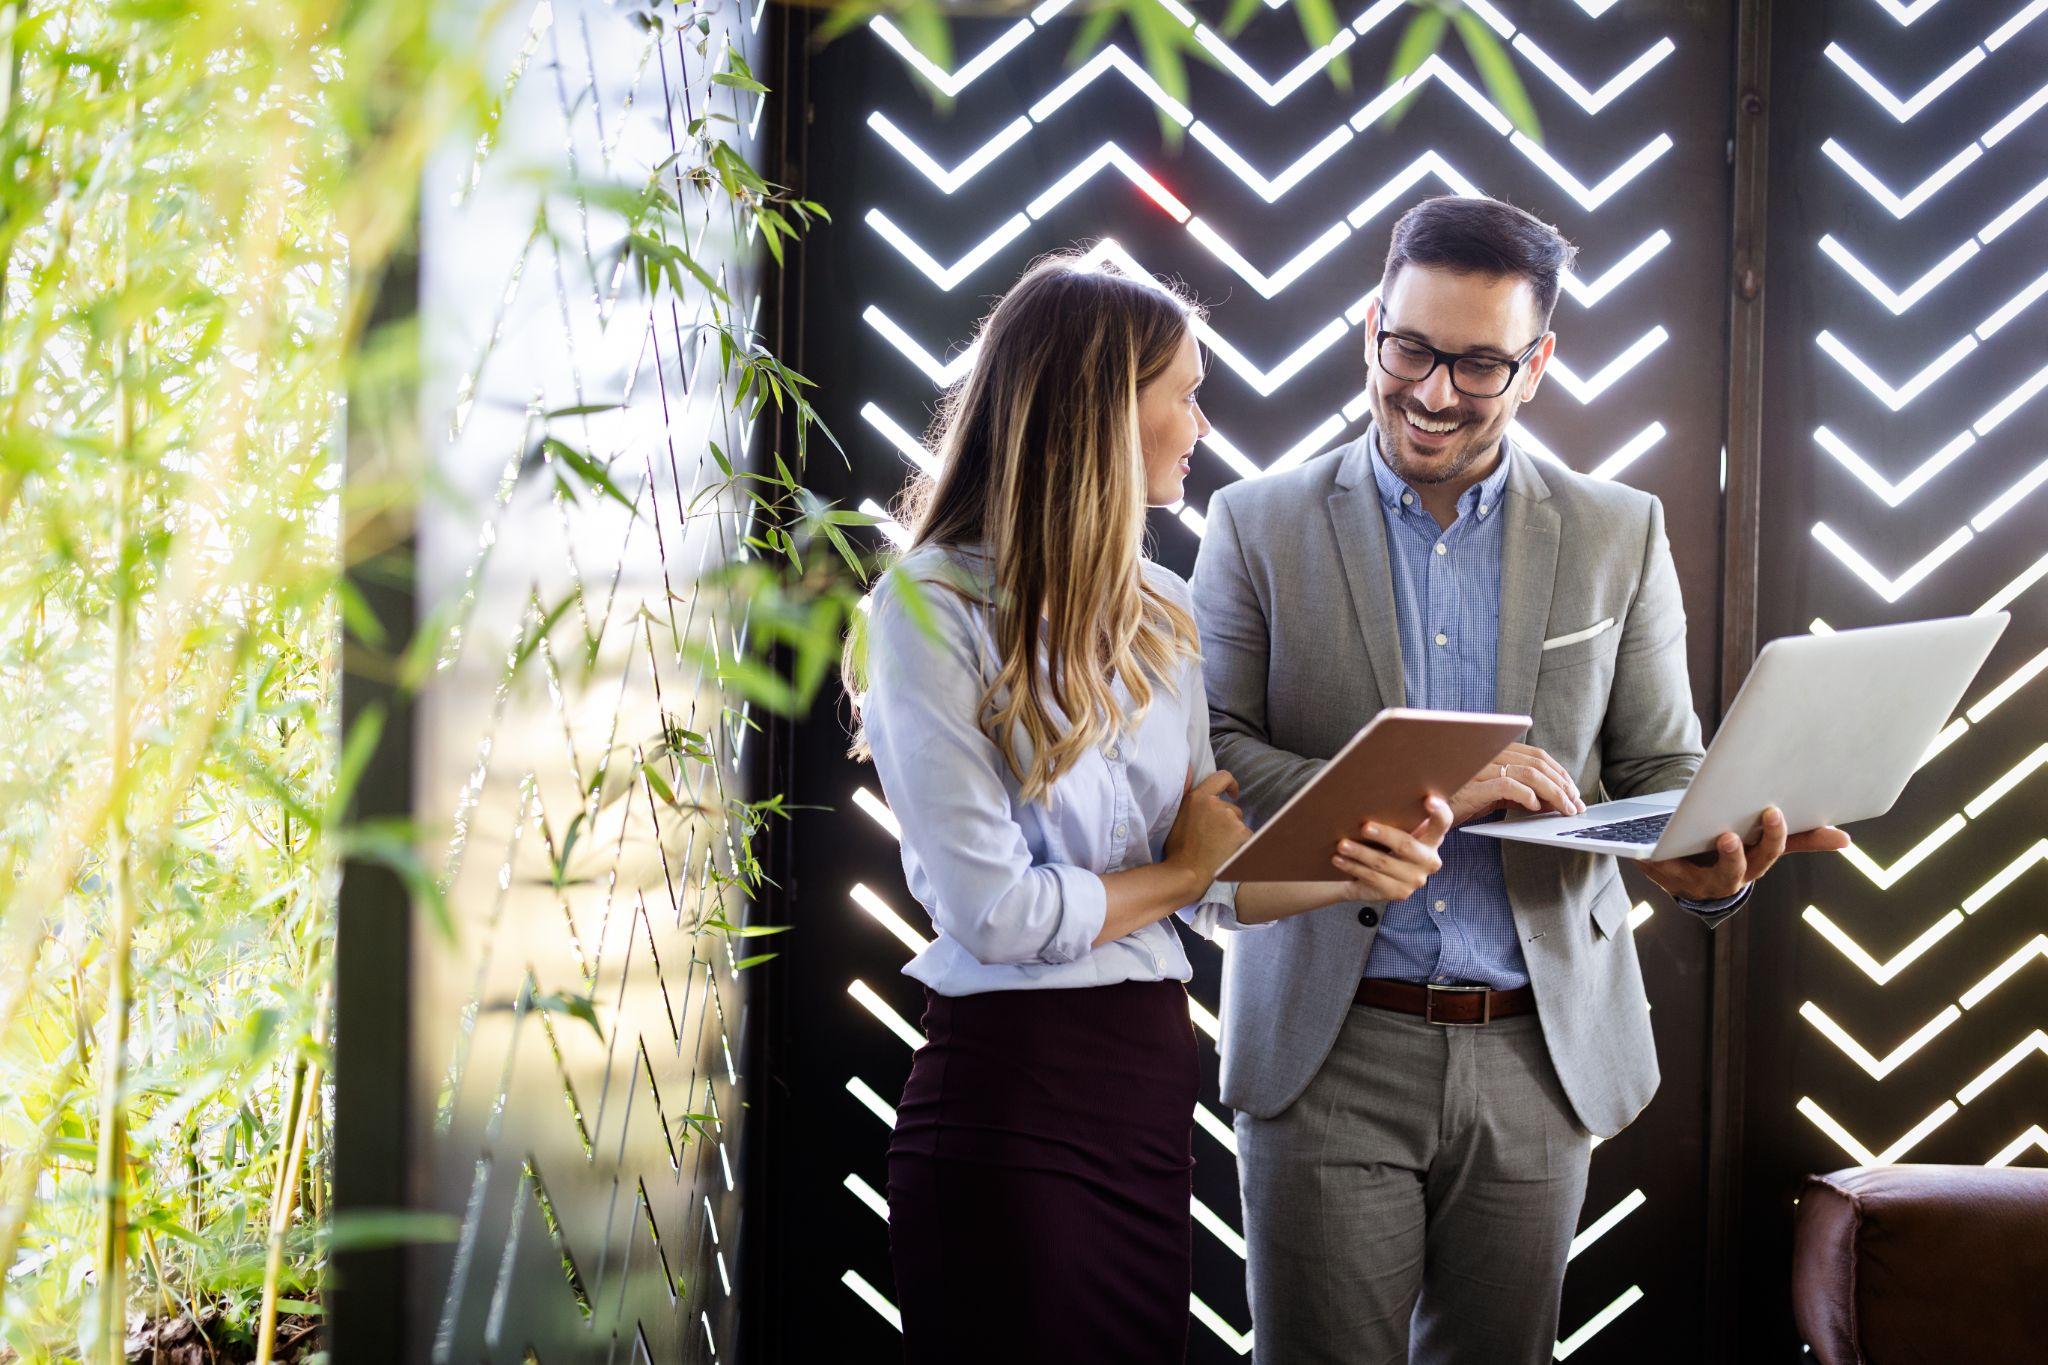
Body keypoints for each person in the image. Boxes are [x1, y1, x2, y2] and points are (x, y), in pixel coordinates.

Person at [1191, 195, 1850, 1364]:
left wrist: (1705, 864)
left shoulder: (1615, 531)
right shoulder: (1256, 524)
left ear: (1535, 364)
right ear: (1368, 328)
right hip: (1326, 1043)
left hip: (1536, 1052)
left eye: (1478, 364)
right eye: (1408, 349)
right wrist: (1438, 787)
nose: (1432, 392)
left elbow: (1658, 763)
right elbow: (1211, 759)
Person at [848, 253, 1454, 1365]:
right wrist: (1179, 875)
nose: (1201, 424)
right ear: (1101, 413)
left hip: (1143, 1093)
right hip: (1012, 1097)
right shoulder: (927, 608)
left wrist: (1360, 862)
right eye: (1183, 393)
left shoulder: (1162, 608)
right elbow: (995, 912)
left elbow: (1212, 884)